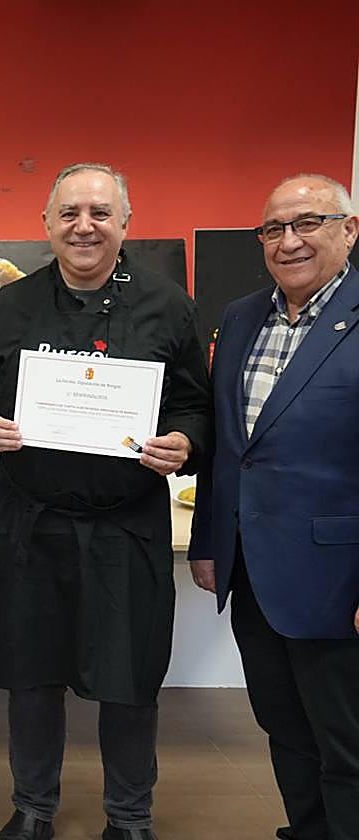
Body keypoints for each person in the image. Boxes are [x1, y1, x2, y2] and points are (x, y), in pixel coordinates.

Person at [0, 163, 211, 840]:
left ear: (125, 224)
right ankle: (33, 807)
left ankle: (130, 816)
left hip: (126, 523)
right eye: (69, 213)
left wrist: (184, 439)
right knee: (32, 676)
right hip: (30, 522)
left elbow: (194, 401)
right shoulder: (8, 307)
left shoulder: (169, 305)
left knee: (130, 679)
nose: (85, 226)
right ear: (46, 225)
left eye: (100, 212)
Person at [188, 174, 359, 840]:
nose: (289, 241)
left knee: (346, 742)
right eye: (273, 229)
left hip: (336, 578)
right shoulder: (241, 317)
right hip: (254, 574)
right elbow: (231, 447)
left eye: (308, 223)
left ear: (348, 228)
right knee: (285, 729)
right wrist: (209, 541)